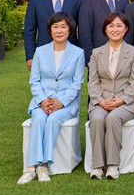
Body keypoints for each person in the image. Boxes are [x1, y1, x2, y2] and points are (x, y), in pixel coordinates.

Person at [18, 13, 85, 184]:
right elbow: (34, 81)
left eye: (63, 27)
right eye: (55, 27)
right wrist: (43, 101)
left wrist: (60, 102)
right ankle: (30, 168)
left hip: (66, 104)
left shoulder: (78, 53)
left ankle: (43, 166)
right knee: (39, 119)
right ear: (50, 30)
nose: (59, 31)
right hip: (42, 102)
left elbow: (77, 83)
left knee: (54, 119)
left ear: (70, 30)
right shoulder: (40, 52)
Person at [87, 13, 134, 180]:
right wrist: (100, 101)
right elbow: (93, 82)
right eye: (111, 26)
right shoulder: (96, 53)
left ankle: (112, 165)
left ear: (126, 29)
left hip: (125, 103)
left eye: (119, 26)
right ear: (105, 29)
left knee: (113, 118)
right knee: (97, 119)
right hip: (101, 101)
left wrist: (121, 100)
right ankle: (97, 166)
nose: (115, 29)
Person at [24, 0, 83, 71]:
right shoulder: (36, 0)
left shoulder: (79, 0)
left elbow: (82, 30)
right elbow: (29, 30)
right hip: (43, 53)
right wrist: (30, 56)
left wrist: (81, 54)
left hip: (70, 53)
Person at [78, 0, 129, 64]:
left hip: (120, 56)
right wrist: (90, 60)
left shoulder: (124, 1)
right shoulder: (88, 0)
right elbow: (84, 33)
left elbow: (127, 29)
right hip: (98, 55)